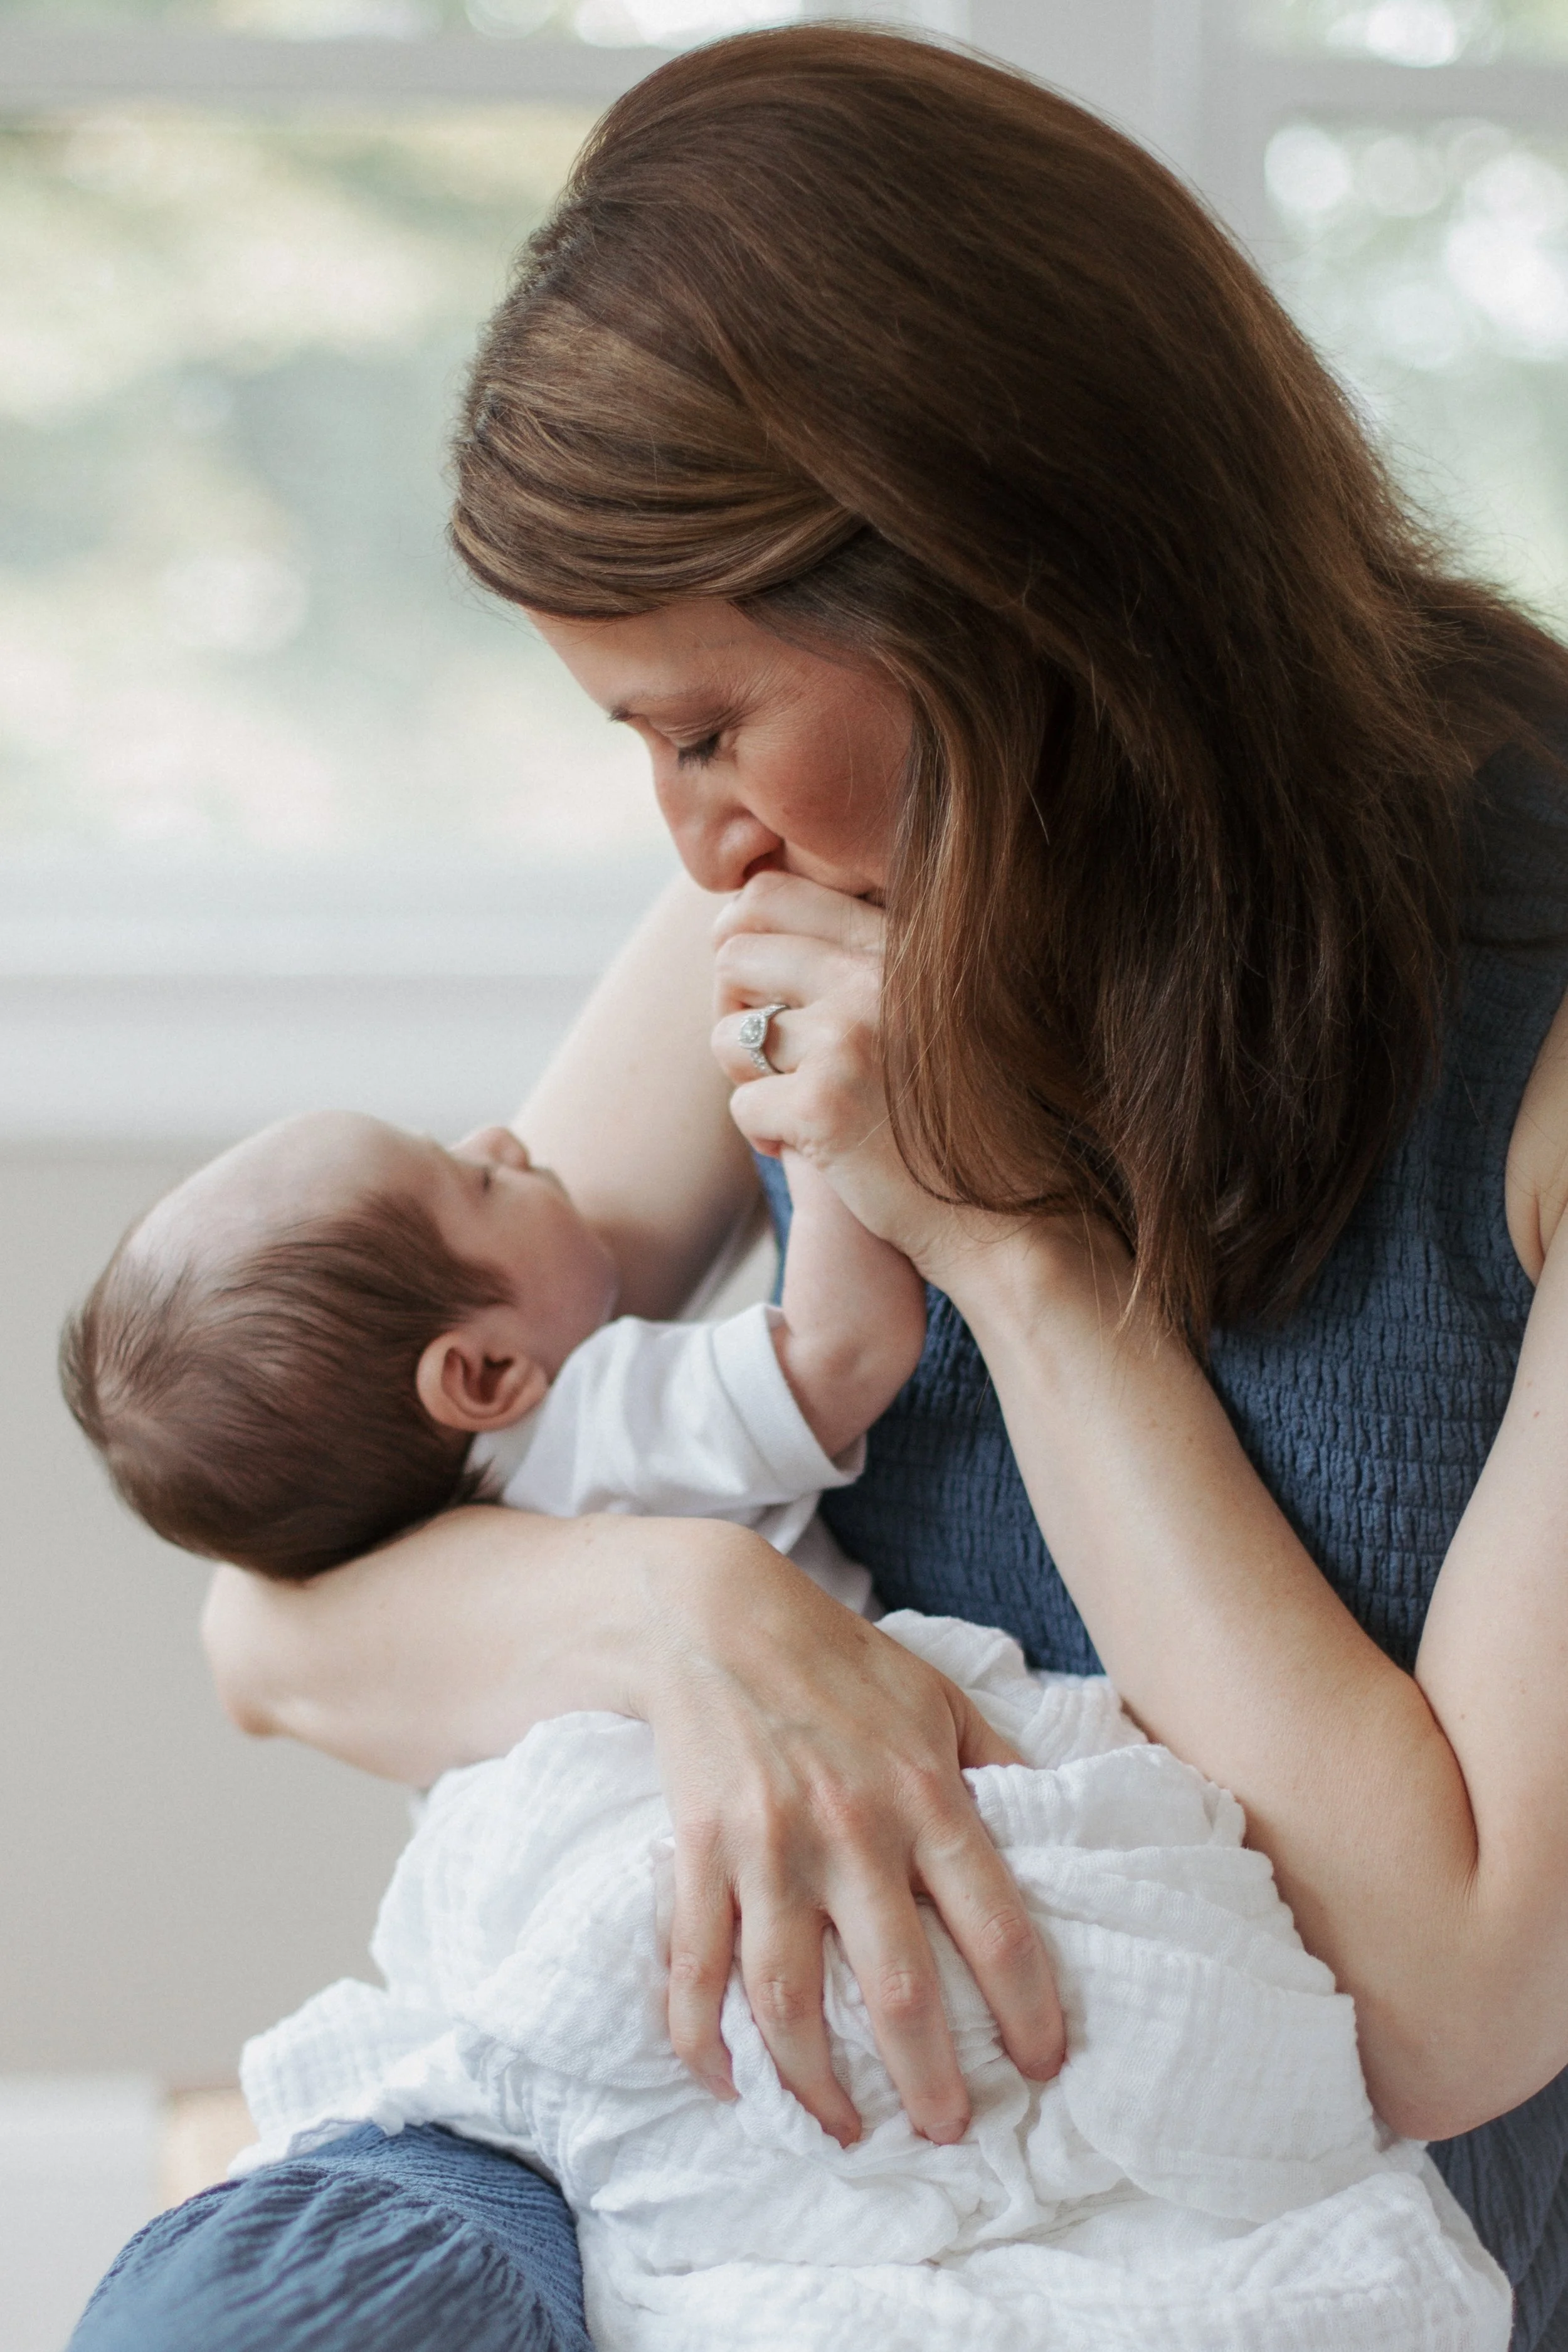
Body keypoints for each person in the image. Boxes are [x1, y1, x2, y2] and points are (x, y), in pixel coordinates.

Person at [69, 22, 1568, 2352]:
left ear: (1005, 602)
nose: (687, 843)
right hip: (763, 2147)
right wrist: (701, 1623)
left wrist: (1007, 1251)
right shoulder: (803, 888)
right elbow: (279, 1628)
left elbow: (1458, 1992)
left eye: (703, 725)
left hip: (1245, 2228)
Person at [58, 1108, 917, 1611]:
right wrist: (824, 1133)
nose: (501, 1140)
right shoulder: (592, 1424)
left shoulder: (440, 1557)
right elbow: (842, 1355)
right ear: (485, 1376)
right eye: (475, 1183)